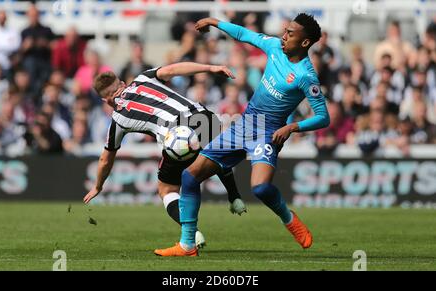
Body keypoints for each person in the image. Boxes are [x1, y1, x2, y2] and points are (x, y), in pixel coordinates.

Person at [155, 13, 330, 257]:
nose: (284, 35)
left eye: (291, 34)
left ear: (304, 43)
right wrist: (215, 22)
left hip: (268, 133)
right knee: (189, 176)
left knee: (259, 188)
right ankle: (187, 245)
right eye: (286, 30)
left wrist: (292, 127)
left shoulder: (305, 76)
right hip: (246, 124)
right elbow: (244, 34)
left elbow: (323, 117)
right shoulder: (274, 47)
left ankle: (288, 218)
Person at [82, 62, 247, 248]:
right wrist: (209, 68)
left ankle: (192, 233)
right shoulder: (143, 78)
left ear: (106, 100)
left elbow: (106, 158)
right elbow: (172, 69)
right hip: (204, 117)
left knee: (166, 190)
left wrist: (98, 185)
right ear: (121, 83)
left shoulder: (118, 119)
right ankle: (234, 196)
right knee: (215, 154)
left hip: (179, 136)